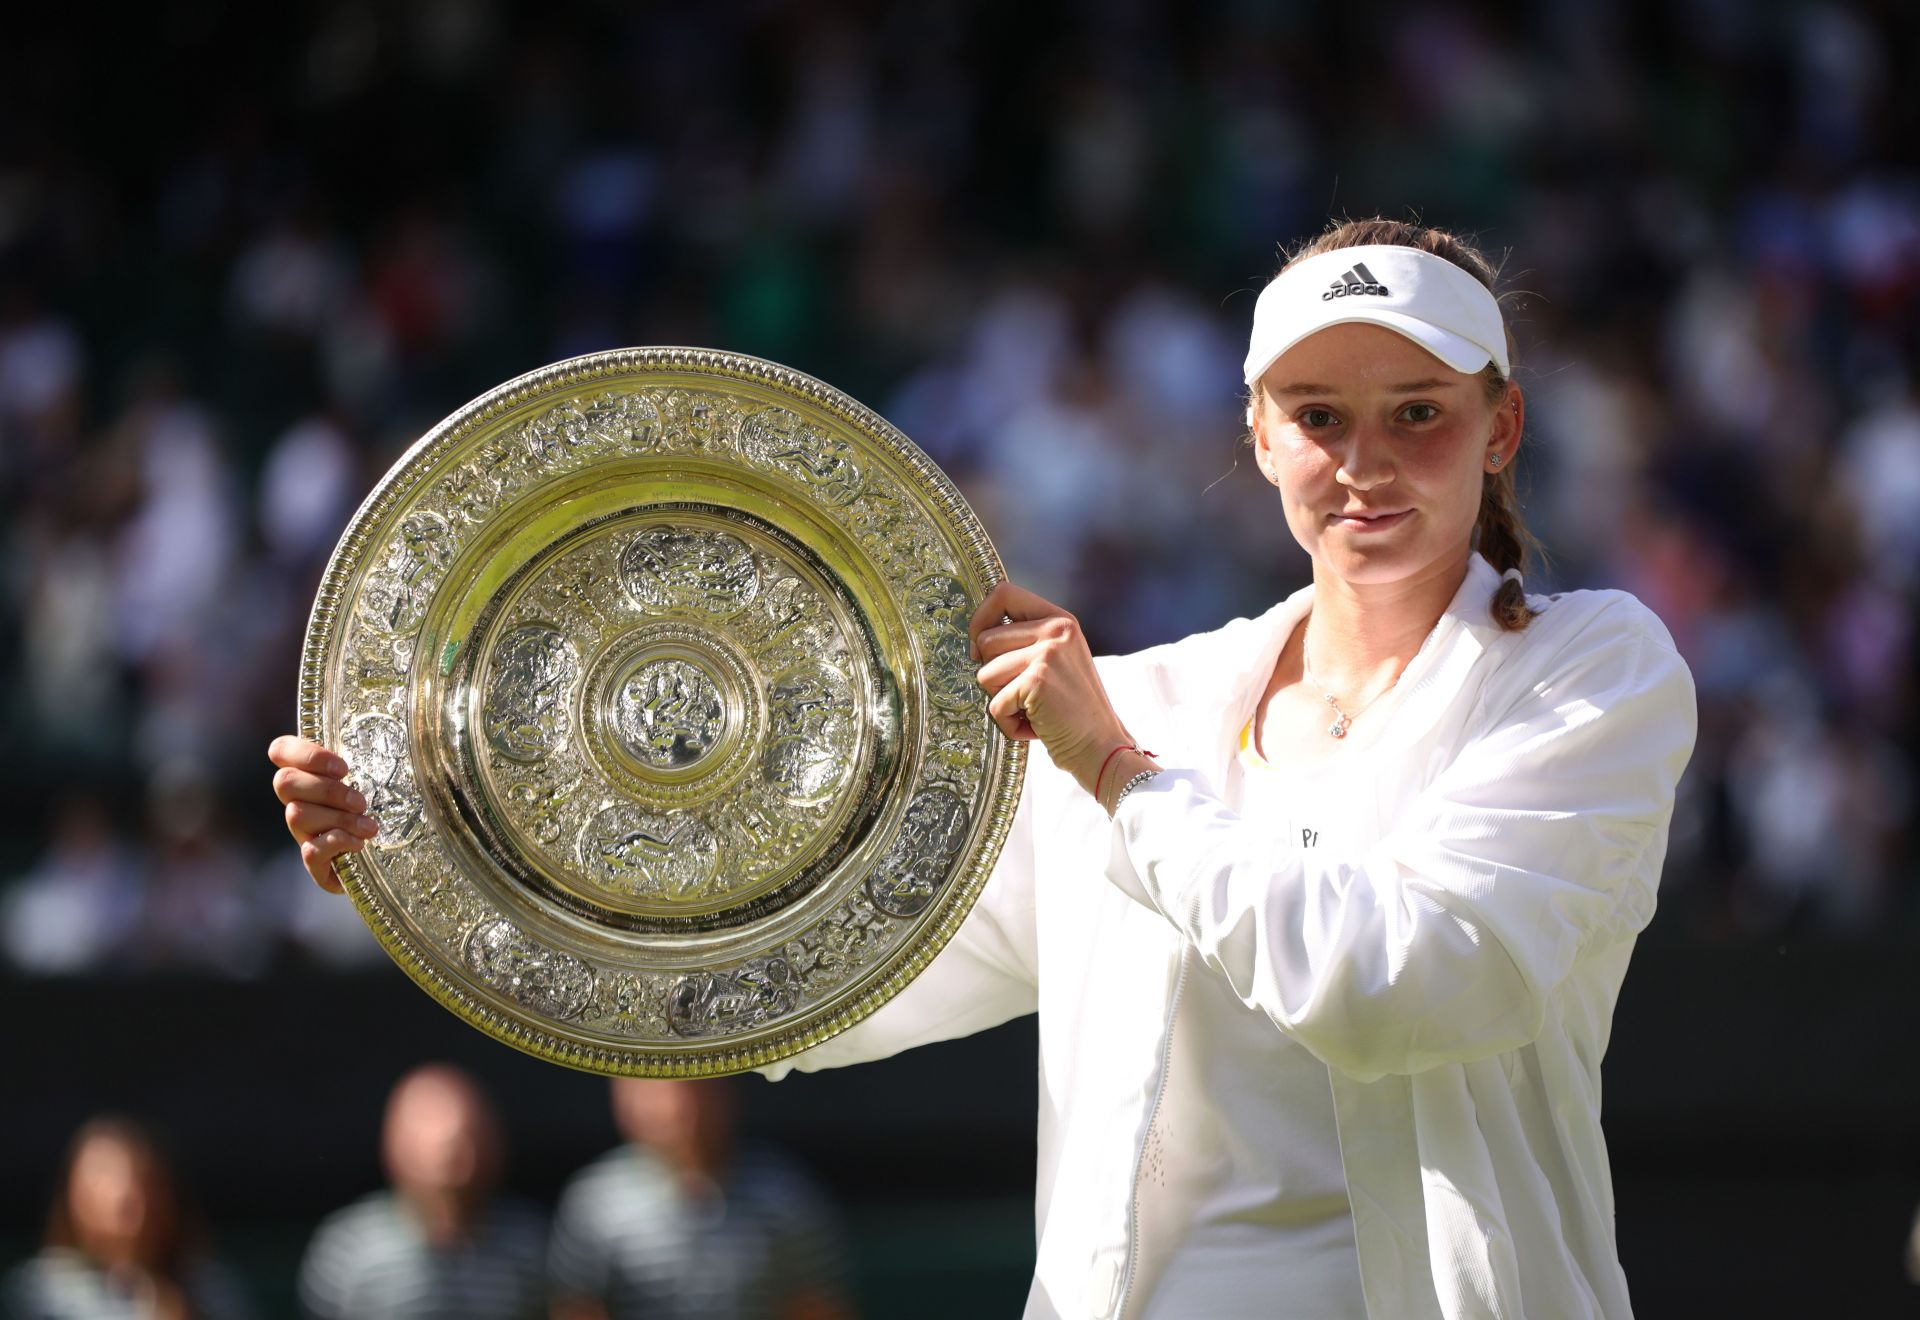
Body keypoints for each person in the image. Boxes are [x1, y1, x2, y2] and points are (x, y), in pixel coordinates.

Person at [270, 216, 1698, 1319]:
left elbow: (1399, 988)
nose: (1364, 460)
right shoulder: (1150, 704)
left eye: (1420, 412)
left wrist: (1121, 779)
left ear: (1501, 428)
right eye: (1319, 414)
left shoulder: (1591, 672)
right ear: (1258, 436)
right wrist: (424, 843)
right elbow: (819, 974)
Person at [547, 1078, 851, 1320]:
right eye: (654, 1091)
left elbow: (817, 1307)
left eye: (694, 1088)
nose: (678, 1108)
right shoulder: (594, 1201)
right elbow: (577, 1308)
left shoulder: (785, 1193)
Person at [296, 1064, 547, 1320]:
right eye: (427, 1124)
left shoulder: (530, 1244)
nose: (454, 1152)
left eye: (470, 1134)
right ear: (394, 1142)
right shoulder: (347, 1249)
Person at [2, 1117, 254, 1320]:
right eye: (104, 1181)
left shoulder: (209, 1287)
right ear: (73, 1195)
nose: (135, 1205)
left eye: (146, 1185)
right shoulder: (40, 1294)